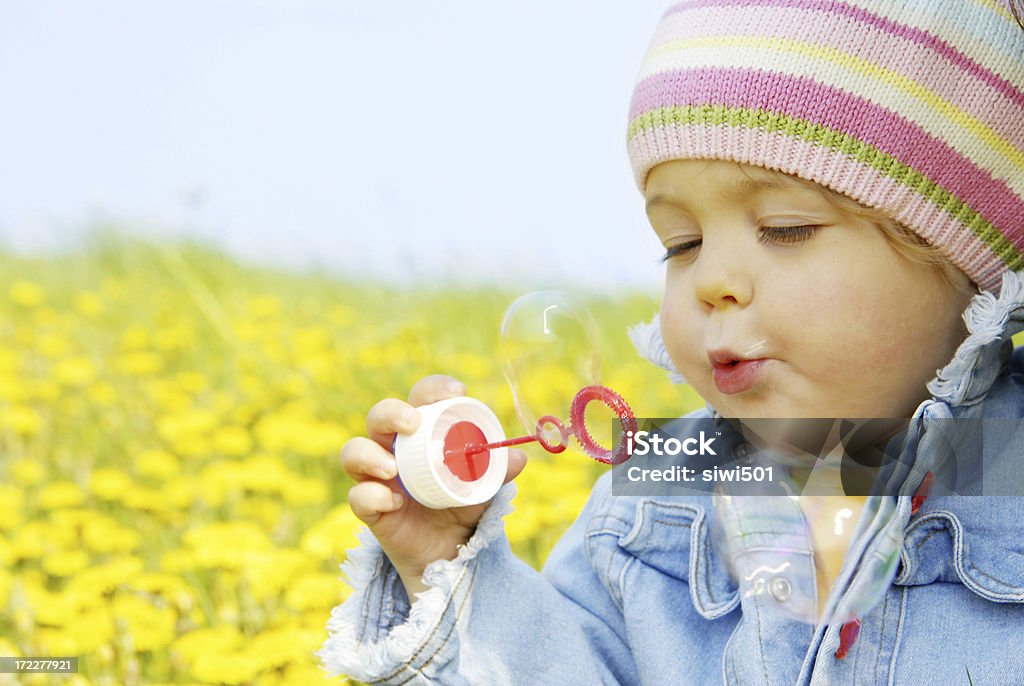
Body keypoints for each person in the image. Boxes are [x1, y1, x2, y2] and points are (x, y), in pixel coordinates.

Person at [320, 1, 1024, 683]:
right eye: (680, 243)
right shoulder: (655, 494)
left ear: (965, 259)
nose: (711, 277)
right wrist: (446, 568)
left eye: (785, 227)